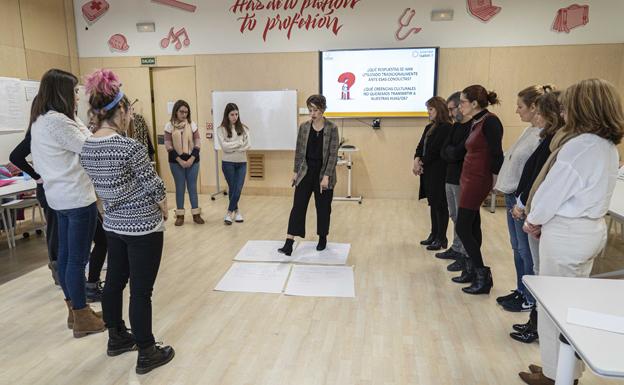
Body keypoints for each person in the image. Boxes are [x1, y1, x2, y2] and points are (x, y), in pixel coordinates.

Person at [519, 79, 623, 385]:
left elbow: (552, 192)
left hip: (567, 233)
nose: (562, 109)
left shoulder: (579, 145)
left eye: (567, 104)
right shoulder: (605, 145)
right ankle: (560, 368)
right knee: (570, 308)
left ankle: (556, 375)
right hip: (588, 232)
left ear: (582, 108)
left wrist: (533, 218)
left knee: (554, 307)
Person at [81, 69, 175, 374]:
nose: (130, 115)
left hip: (113, 225)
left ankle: (117, 337)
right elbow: (156, 187)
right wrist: (164, 206)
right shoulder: (129, 147)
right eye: (129, 110)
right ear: (119, 110)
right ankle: (147, 351)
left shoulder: (87, 146)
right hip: (143, 228)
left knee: (114, 283)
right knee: (141, 292)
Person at [30, 68, 104, 337]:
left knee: (66, 258)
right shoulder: (58, 123)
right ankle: (82, 315)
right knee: (75, 260)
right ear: (62, 92)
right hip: (76, 198)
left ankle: (76, 311)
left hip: (60, 198)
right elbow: (91, 148)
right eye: (74, 91)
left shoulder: (43, 120)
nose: (77, 96)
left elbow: (83, 136)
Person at [509, 90, 564, 344]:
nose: (535, 116)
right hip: (529, 207)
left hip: (537, 214)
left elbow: (544, 181)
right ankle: (533, 315)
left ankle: (536, 319)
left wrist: (526, 206)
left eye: (540, 111)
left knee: (537, 267)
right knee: (524, 255)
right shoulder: (547, 138)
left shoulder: (558, 142)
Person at [494, 85, 552, 312]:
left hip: (522, 200)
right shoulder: (529, 131)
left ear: (535, 107)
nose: (517, 111)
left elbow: (534, 173)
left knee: (526, 251)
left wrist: (521, 201)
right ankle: (520, 289)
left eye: (520, 106)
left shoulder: (542, 136)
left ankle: (529, 297)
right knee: (517, 247)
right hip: (512, 196)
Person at [452, 85, 504, 295]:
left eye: (463, 102)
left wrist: (493, 182)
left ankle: (482, 274)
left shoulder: (490, 121)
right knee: (472, 225)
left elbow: (497, 155)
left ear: (474, 103)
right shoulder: (476, 121)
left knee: (463, 227)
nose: (460, 106)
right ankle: (471, 268)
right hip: (468, 177)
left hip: (478, 179)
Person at [278, 94, 339, 255]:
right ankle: (289, 242)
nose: (312, 114)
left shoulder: (332, 128)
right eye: (310, 110)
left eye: (316, 110)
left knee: (323, 208)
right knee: (298, 206)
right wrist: (295, 172)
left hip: (323, 173)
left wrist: (327, 176)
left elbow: (333, 154)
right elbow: (299, 151)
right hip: (306, 171)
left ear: (323, 110)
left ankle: (322, 237)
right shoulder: (304, 127)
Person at [9, 96, 59, 285]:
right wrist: (37, 176)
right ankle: (56, 268)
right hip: (46, 188)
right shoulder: (37, 131)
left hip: (54, 187)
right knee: (55, 230)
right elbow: (15, 156)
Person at [437, 92, 471, 271]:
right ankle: (456, 247)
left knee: (462, 219)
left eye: (452, 109)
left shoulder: (470, 127)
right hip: (449, 176)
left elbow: (459, 152)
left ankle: (463, 253)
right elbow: (445, 151)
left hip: (461, 179)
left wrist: (452, 153)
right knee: (454, 216)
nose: (450, 114)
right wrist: (452, 153)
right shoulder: (455, 127)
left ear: (461, 106)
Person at [414, 96, 452, 251]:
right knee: (433, 204)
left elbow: (435, 150)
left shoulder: (446, 128)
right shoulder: (429, 127)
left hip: (439, 172)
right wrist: (416, 159)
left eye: (430, 109)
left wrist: (421, 162)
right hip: (428, 171)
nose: (428, 112)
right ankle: (433, 234)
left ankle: (441, 238)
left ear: (439, 109)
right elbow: (420, 146)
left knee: (440, 205)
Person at [164, 100, 204, 226]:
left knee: (192, 187)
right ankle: (180, 215)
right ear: (176, 111)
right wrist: (180, 160)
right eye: (181, 111)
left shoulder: (192, 124)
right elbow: (168, 146)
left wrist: (191, 159)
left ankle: (196, 214)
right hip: (176, 161)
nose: (184, 114)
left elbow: (198, 143)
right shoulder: (169, 126)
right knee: (180, 187)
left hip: (193, 160)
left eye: (186, 112)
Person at [217, 103, 250, 225]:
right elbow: (224, 147)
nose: (235, 117)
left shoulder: (244, 128)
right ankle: (236, 212)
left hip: (242, 162)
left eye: (236, 114)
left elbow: (248, 145)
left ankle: (229, 212)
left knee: (238, 189)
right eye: (232, 114)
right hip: (228, 163)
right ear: (227, 115)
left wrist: (234, 146)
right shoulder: (221, 129)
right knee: (233, 188)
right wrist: (239, 143)